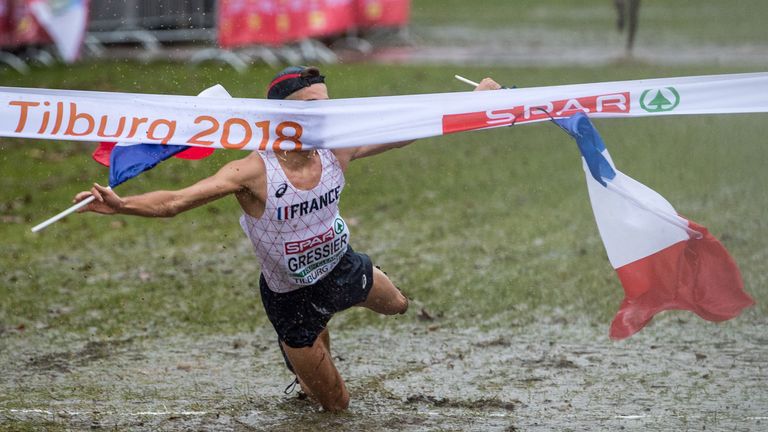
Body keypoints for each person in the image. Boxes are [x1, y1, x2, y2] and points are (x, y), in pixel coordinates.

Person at [74, 66, 502, 412]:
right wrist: (122, 204)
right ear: (284, 116)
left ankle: (341, 305)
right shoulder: (252, 172)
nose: (328, 116)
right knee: (336, 406)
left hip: (342, 266)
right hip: (292, 300)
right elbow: (175, 202)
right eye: (316, 108)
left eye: (328, 105)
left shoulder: (337, 148)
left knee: (399, 305)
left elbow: (408, 129)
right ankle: (304, 355)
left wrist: (475, 101)